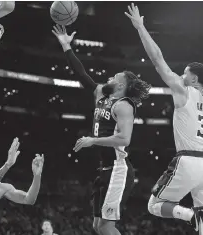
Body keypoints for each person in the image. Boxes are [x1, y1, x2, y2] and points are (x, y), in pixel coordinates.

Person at [125, 3, 203, 235]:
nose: (181, 74)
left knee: (154, 205)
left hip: (188, 162)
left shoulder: (183, 90)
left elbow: (157, 59)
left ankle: (190, 215)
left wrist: (140, 28)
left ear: (194, 79)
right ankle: (197, 217)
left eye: (185, 72)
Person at [52, 24, 151, 235]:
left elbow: (124, 139)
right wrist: (66, 46)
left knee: (107, 227)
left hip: (118, 168)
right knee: (97, 226)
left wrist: (93, 140)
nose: (109, 79)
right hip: (105, 168)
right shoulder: (101, 95)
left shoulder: (123, 105)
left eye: (114, 78)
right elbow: (81, 73)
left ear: (121, 86)